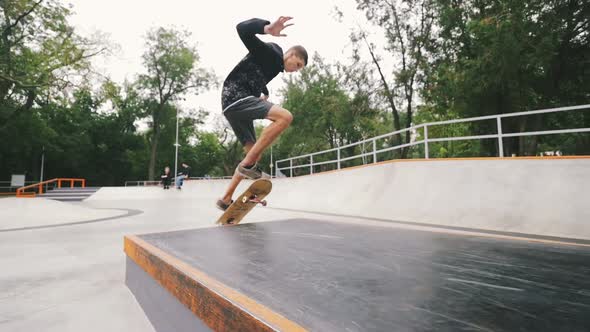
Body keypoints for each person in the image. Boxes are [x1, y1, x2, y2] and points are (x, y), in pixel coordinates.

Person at [216, 16, 308, 211]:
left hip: (233, 106)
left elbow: (255, 74)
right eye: (297, 65)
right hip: (237, 98)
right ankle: (249, 165)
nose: (295, 70)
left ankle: (225, 198)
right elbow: (241, 28)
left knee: (252, 153)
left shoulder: (274, 65)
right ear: (290, 54)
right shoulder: (272, 52)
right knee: (285, 117)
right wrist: (266, 28)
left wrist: (264, 93)